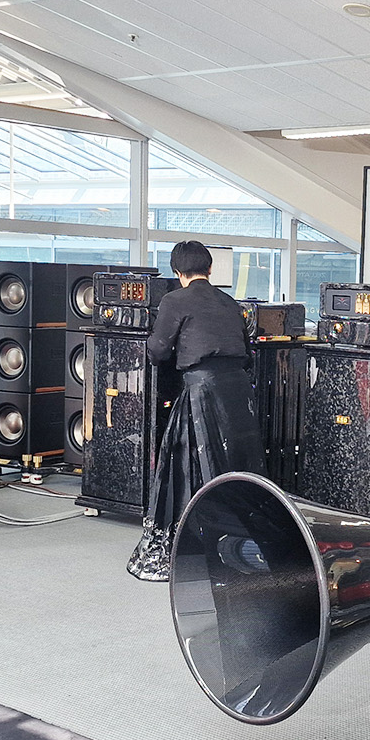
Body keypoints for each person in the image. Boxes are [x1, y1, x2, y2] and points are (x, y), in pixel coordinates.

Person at [126, 240, 265, 582]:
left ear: (177, 271)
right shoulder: (230, 302)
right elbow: (245, 352)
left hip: (201, 391)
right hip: (237, 395)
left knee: (186, 465)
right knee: (233, 467)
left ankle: (189, 545)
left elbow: (158, 350)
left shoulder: (174, 300)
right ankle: (239, 545)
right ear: (210, 269)